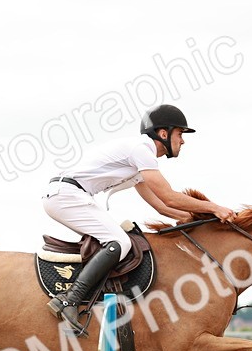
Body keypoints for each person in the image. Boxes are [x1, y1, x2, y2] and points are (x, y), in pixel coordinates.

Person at [43, 104, 237, 332]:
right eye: (180, 134)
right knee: (120, 242)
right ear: (163, 134)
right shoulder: (141, 150)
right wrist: (214, 208)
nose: (182, 141)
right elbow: (169, 197)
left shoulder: (139, 162)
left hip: (67, 195)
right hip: (67, 196)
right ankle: (69, 300)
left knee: (116, 242)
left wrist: (195, 220)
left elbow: (162, 206)